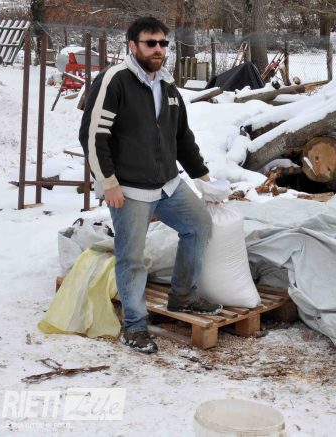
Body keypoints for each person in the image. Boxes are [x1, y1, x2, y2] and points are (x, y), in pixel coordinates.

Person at [79, 16, 222, 354]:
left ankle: (182, 296)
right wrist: (108, 182)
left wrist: (203, 178)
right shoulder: (115, 81)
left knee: (198, 225)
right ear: (133, 46)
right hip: (128, 188)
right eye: (150, 43)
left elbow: (182, 137)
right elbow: (93, 135)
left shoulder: (168, 86)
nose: (158, 49)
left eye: (163, 43)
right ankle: (135, 325)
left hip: (167, 184)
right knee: (131, 256)